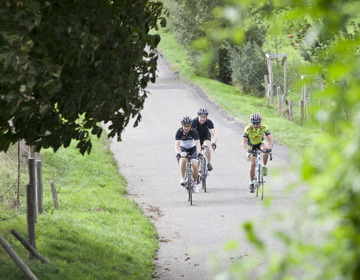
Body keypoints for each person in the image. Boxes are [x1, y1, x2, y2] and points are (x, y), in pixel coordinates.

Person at [242, 113, 274, 193]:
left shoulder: (264, 127)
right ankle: (251, 183)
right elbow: (243, 142)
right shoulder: (248, 128)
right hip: (251, 145)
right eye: (254, 123)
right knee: (252, 164)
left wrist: (270, 148)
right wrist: (247, 150)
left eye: (257, 123)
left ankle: (264, 166)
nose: (255, 125)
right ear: (251, 122)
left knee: (265, 149)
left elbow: (271, 139)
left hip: (260, 143)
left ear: (260, 122)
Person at [175, 116, 202, 193]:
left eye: (188, 126)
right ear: (182, 125)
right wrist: (178, 153)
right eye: (185, 126)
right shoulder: (179, 132)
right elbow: (177, 145)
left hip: (193, 148)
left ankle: (195, 183)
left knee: (195, 165)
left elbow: (198, 144)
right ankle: (183, 177)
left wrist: (199, 152)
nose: (187, 128)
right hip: (183, 148)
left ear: (191, 126)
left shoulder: (194, 131)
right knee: (183, 158)